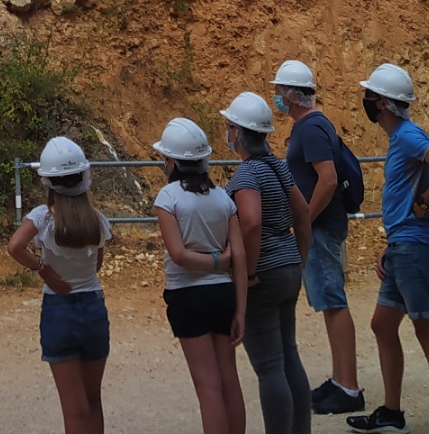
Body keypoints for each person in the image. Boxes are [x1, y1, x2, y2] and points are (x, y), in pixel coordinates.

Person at [347, 64, 429, 434]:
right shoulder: (403, 137)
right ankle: (391, 411)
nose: (366, 100)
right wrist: (393, 243)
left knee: (427, 331)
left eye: (370, 95)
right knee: (382, 325)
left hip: (416, 247)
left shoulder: (408, 136)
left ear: (383, 102)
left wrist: (424, 202)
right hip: (404, 245)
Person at [272, 60, 365, 416]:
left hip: (322, 227)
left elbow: (327, 179)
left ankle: (349, 387)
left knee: (334, 301)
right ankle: (341, 381)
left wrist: (305, 222)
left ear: (290, 94)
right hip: (324, 225)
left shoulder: (310, 128)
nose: (276, 98)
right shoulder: (313, 125)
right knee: (329, 301)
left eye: (279, 91)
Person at [7, 136, 112, 434]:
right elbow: (96, 265)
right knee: (93, 402)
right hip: (93, 307)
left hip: (59, 311)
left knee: (73, 410)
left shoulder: (42, 218)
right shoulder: (97, 220)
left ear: (48, 182)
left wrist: (42, 269)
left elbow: (15, 246)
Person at [221, 92, 313, 434]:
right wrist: (299, 258)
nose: (227, 133)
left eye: (229, 127)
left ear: (238, 132)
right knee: (289, 358)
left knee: (269, 366)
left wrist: (249, 273)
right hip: (288, 268)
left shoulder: (247, 175)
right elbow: (302, 212)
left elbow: (251, 222)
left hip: (265, 275)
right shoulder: (278, 167)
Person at [152, 117, 247, 434]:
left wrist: (215, 262)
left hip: (187, 294)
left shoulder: (168, 198)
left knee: (207, 386)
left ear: (173, 161)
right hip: (223, 294)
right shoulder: (223, 198)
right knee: (228, 379)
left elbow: (179, 255)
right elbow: (239, 256)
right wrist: (241, 310)